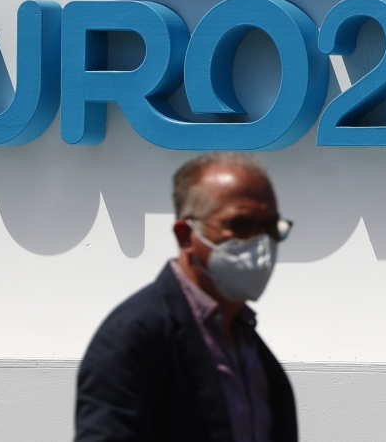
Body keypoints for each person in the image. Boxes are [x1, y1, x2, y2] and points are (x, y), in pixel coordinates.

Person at [75, 152, 299, 442]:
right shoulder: (134, 336)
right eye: (241, 225)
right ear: (185, 235)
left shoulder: (245, 340)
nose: (261, 243)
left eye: (271, 228)